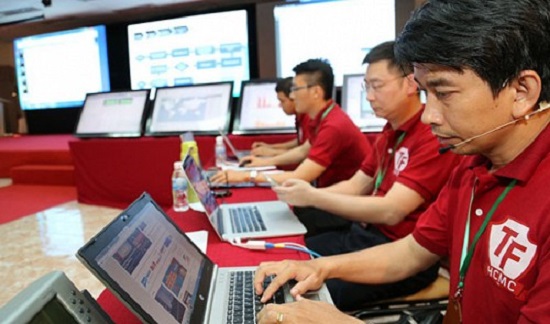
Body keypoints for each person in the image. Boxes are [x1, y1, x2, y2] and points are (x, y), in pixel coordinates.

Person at [253, 0, 550, 323]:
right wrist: (320, 266)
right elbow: (412, 252)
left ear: (522, 91)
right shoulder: (473, 162)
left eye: (444, 93)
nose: (429, 115)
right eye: (425, 94)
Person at [271, 41, 461, 310]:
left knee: (303, 296)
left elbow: (390, 211)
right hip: (367, 235)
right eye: (366, 87)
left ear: (410, 83)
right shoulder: (389, 132)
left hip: (402, 252)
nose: (369, 96)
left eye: (377, 86)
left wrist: (312, 195)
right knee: (292, 252)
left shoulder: (431, 137)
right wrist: (307, 195)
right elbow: (356, 184)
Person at [211, 59, 372, 218]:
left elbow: (300, 176)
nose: (293, 95)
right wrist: (264, 162)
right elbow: (304, 149)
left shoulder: (333, 126)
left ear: (316, 92)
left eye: (295, 88)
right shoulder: (324, 117)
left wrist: (246, 175)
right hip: (331, 197)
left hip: (345, 206)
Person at [250, 77, 309, 157]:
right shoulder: (299, 116)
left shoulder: (309, 117)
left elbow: (305, 152)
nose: (280, 105)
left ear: (294, 98)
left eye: (282, 101)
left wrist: (272, 152)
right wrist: (270, 147)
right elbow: (301, 141)